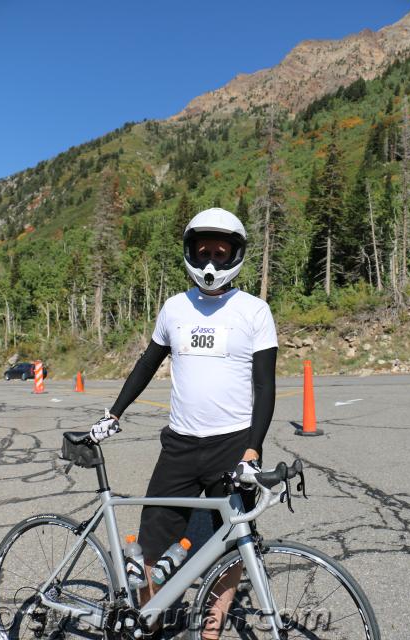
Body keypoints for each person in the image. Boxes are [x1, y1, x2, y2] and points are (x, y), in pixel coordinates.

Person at [90, 207, 278, 638]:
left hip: (232, 445)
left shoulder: (254, 311)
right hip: (179, 445)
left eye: (220, 252)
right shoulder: (175, 307)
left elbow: (265, 386)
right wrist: (113, 414)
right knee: (150, 545)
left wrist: (253, 449)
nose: (210, 262)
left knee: (233, 544)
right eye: (203, 252)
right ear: (191, 253)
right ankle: (148, 621)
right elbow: (146, 364)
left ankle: (210, 629)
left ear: (235, 255)